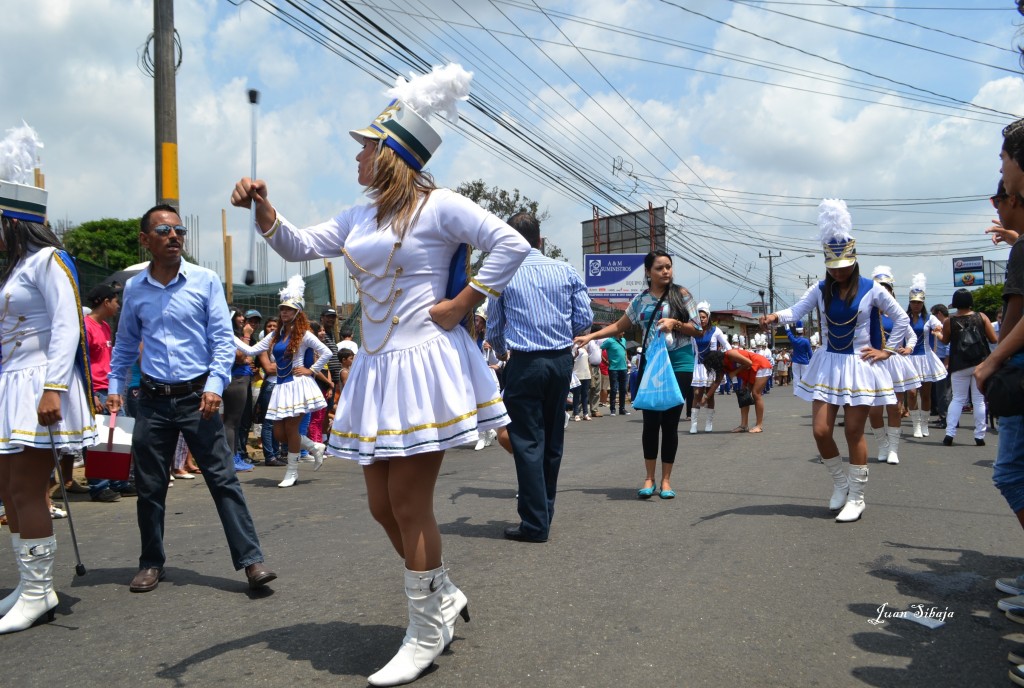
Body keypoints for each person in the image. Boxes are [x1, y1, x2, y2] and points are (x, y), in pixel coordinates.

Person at [230, 64, 530, 687]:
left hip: (426, 368)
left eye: (366, 148)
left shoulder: (441, 206)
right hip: (375, 369)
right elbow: (294, 243)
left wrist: (463, 301)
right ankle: (442, 596)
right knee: (378, 504)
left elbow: (512, 245)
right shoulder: (355, 217)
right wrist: (263, 209)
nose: (358, 157)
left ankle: (424, 629)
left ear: (392, 155)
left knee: (407, 501)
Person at [107, 204, 276, 593]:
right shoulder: (134, 289)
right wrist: (114, 390)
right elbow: (126, 344)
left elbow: (221, 341)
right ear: (145, 240)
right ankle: (151, 562)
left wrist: (215, 385)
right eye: (164, 231)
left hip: (198, 398)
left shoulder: (204, 280)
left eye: (179, 230)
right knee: (150, 486)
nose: (174, 236)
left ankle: (252, 562)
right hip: (150, 400)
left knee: (222, 478)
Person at [760, 199, 910, 523]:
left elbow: (902, 320)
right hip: (827, 363)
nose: (838, 271)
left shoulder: (873, 289)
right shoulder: (819, 288)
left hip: (859, 365)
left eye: (843, 265)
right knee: (820, 430)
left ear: (854, 261)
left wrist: (888, 351)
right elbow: (797, 311)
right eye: (833, 266)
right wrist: (775, 316)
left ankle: (857, 497)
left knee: (854, 432)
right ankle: (840, 484)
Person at [0, 187, 98, 633]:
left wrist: (53, 388)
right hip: (12, 385)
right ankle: (30, 584)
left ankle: (39, 593)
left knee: (25, 489)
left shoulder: (48, 260)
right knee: (8, 489)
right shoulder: (15, 267)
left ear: (14, 222)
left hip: (40, 382)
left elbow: (67, 323)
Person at [487, 212, 592, 535]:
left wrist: (504, 350)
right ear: (540, 240)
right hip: (560, 362)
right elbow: (583, 319)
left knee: (528, 440)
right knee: (551, 440)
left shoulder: (502, 275)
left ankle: (534, 522)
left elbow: (493, 330)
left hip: (525, 364)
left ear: (508, 239)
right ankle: (543, 511)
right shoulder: (564, 270)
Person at [575, 250, 700, 500]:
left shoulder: (682, 295)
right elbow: (619, 326)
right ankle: (649, 478)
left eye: (669, 267)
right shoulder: (640, 300)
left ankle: (666, 480)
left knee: (670, 423)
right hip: (651, 364)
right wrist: (590, 336)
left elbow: (697, 329)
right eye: (660, 268)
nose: (666, 271)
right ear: (648, 272)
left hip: (679, 363)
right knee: (651, 422)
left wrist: (674, 323)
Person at [234, 276, 332, 488]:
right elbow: (251, 351)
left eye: (288, 309)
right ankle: (315, 447)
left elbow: (325, 352)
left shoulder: (304, 334)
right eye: (282, 309)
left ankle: (292, 472)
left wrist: (311, 370)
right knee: (280, 433)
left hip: (298, 385)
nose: (284, 312)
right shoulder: (275, 335)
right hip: (281, 386)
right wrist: (231, 335)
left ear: (297, 311)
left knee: (291, 428)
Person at [84, 282, 136, 501]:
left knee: (119, 434)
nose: (118, 306)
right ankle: (99, 485)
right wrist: (92, 393)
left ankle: (118, 481)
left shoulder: (105, 326)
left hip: (111, 388)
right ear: (105, 302)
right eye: (116, 301)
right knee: (100, 438)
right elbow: (83, 362)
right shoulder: (85, 327)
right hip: (97, 389)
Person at [865, 266, 919, 465]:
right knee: (874, 409)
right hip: (873, 363)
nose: (884, 290)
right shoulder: (867, 312)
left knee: (894, 408)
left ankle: (894, 449)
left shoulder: (894, 315)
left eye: (887, 287)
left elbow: (911, 335)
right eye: (880, 287)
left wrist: (908, 348)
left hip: (892, 362)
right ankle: (882, 445)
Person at [939, 289, 996, 446]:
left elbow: (944, 341)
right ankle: (979, 436)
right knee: (978, 400)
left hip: (959, 364)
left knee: (958, 398)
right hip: (980, 364)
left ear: (955, 302)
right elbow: (993, 339)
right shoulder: (981, 317)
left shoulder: (948, 321)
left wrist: (938, 334)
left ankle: (949, 434)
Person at [903, 274, 947, 439]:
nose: (916, 305)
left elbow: (939, 327)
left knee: (926, 393)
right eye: (913, 302)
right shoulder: (904, 317)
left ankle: (925, 423)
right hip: (909, 358)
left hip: (926, 357)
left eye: (919, 302)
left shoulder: (930, 317)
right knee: (912, 393)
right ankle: (915, 425)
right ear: (910, 302)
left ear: (923, 303)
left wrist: (938, 330)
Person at [703, 347, 772, 433]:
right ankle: (743, 425)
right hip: (750, 371)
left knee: (756, 394)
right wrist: (706, 397)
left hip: (761, 365)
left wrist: (735, 372)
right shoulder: (722, 366)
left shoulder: (730, 354)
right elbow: (716, 382)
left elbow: (749, 363)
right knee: (743, 395)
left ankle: (759, 425)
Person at [689, 301, 731, 433]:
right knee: (696, 394)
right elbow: (692, 350)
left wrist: (725, 359)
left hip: (711, 367)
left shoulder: (715, 330)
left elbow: (727, 346)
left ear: (708, 317)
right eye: (699, 317)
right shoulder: (693, 331)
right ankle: (693, 424)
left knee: (710, 395)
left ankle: (709, 423)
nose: (701, 320)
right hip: (698, 365)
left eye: (704, 317)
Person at [223, 308, 255, 473]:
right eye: (239, 315)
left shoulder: (234, 334)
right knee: (231, 422)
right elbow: (241, 356)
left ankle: (235, 456)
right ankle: (231, 459)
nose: (243, 318)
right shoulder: (230, 335)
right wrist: (247, 336)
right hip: (236, 379)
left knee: (236, 422)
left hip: (242, 378)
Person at [929, 304, 951, 430]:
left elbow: (949, 344)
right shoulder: (941, 326)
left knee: (944, 392)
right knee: (940, 391)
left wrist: (946, 361)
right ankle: (943, 417)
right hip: (939, 359)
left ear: (939, 314)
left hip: (943, 360)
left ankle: (945, 418)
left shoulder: (945, 325)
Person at [601, 333, 630, 416]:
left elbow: (624, 351)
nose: (623, 333)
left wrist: (627, 360)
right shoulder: (610, 341)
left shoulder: (623, 340)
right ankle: (612, 409)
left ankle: (622, 409)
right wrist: (605, 361)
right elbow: (600, 348)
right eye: (622, 331)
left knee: (623, 389)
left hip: (623, 368)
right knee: (614, 389)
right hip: (613, 368)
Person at [786, 322, 813, 389]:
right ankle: (804, 390)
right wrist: (812, 361)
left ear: (796, 331)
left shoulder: (794, 340)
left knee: (796, 376)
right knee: (805, 376)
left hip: (795, 361)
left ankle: (796, 391)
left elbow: (789, 333)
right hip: (804, 361)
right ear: (803, 332)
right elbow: (809, 352)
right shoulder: (806, 341)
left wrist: (786, 324)